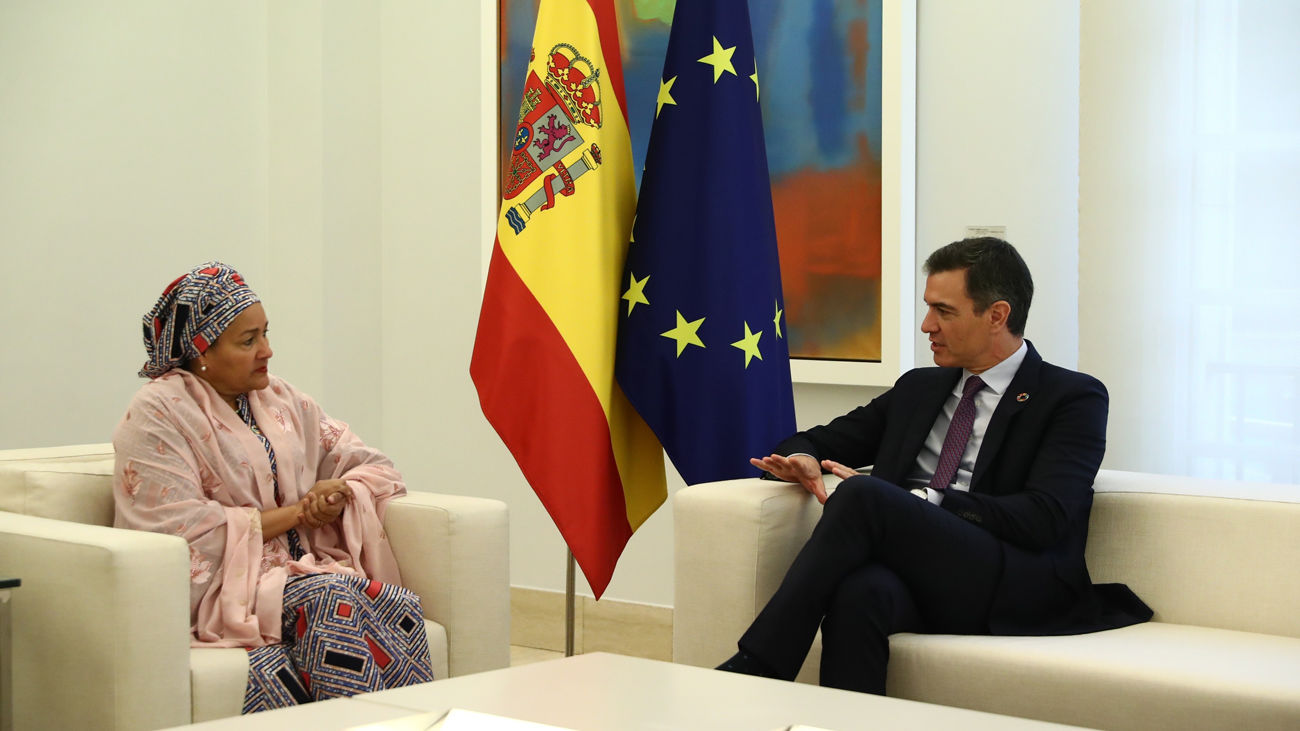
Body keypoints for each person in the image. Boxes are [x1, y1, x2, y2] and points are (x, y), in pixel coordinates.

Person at [717, 237, 1152, 694]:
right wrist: (803, 458)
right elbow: (814, 440)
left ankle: (760, 667)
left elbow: (1045, 518)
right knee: (860, 593)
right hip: (927, 575)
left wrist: (926, 501)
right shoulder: (918, 389)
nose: (927, 326)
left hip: (1013, 578)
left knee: (865, 493)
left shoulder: (1071, 397)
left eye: (944, 311)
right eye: (929, 309)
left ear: (997, 315)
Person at [113, 262, 434, 713]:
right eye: (248, 341)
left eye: (265, 333)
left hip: (299, 572)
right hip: (224, 590)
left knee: (391, 603)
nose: (267, 350)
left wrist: (337, 490)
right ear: (201, 350)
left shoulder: (280, 398)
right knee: (330, 597)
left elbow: (369, 464)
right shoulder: (159, 413)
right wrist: (301, 513)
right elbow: (176, 533)